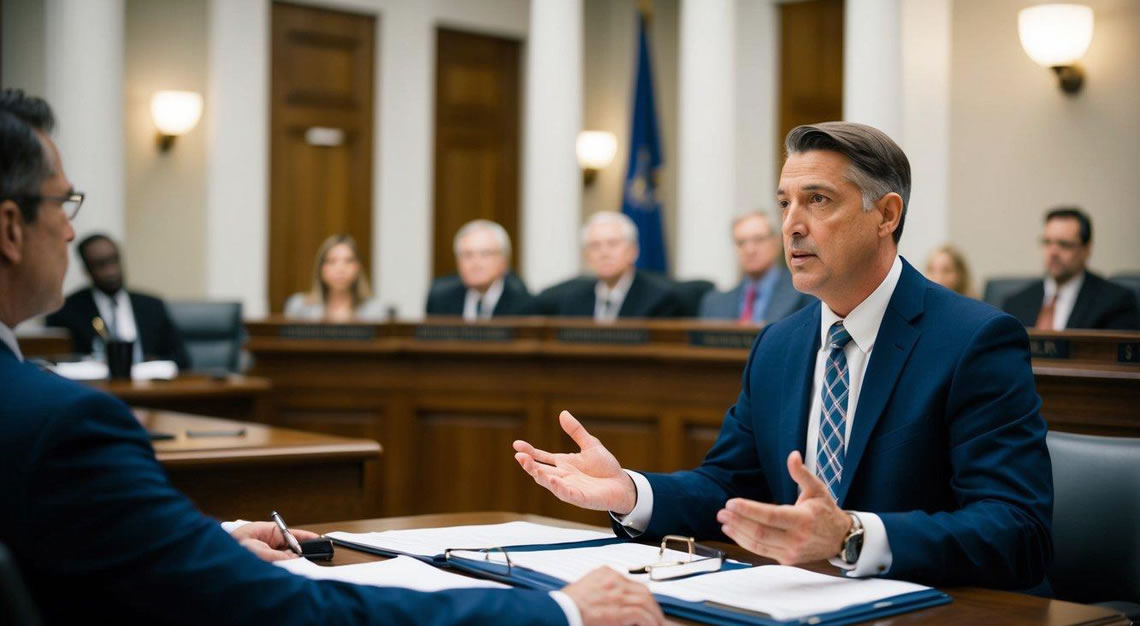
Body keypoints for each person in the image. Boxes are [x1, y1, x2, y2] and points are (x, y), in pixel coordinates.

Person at [0, 89, 663, 626]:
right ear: (10, 227)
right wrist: (557, 609)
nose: (72, 226)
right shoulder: (62, 423)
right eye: (64, 202)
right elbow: (289, 609)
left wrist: (204, 541)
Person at [513, 121, 1053, 592]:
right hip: (796, 601)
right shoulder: (779, 344)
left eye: (818, 200)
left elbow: (1017, 530)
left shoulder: (974, 339)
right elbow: (727, 488)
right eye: (785, 203)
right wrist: (631, 491)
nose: (791, 225)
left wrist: (853, 537)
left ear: (886, 215)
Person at [44, 233, 191, 369]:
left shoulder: (152, 307)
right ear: (86, 270)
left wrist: (153, 363)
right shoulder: (67, 310)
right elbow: (58, 363)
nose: (111, 271)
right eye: (100, 264)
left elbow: (182, 359)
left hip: (150, 390)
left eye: (114, 261)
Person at [1002, 207, 1139, 330]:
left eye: (1064, 244)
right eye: (1047, 242)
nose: (1053, 252)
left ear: (1086, 249)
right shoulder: (1015, 303)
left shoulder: (1115, 302)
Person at [553, 212, 681, 320]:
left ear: (633, 251)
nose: (604, 253)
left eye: (613, 244)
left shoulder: (660, 299)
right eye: (595, 246)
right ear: (586, 256)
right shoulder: (574, 300)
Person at [699, 211, 814, 323]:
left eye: (758, 240)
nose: (750, 250)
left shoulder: (806, 294)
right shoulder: (714, 304)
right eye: (741, 243)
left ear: (777, 242)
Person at [425, 219, 536, 319]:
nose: (476, 263)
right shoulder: (441, 298)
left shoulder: (522, 303)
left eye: (485, 254)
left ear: (504, 261)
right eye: (467, 255)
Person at [284, 234, 385, 321]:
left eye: (349, 261)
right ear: (320, 268)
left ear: (357, 268)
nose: (340, 269)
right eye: (332, 261)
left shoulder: (375, 311)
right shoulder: (300, 308)